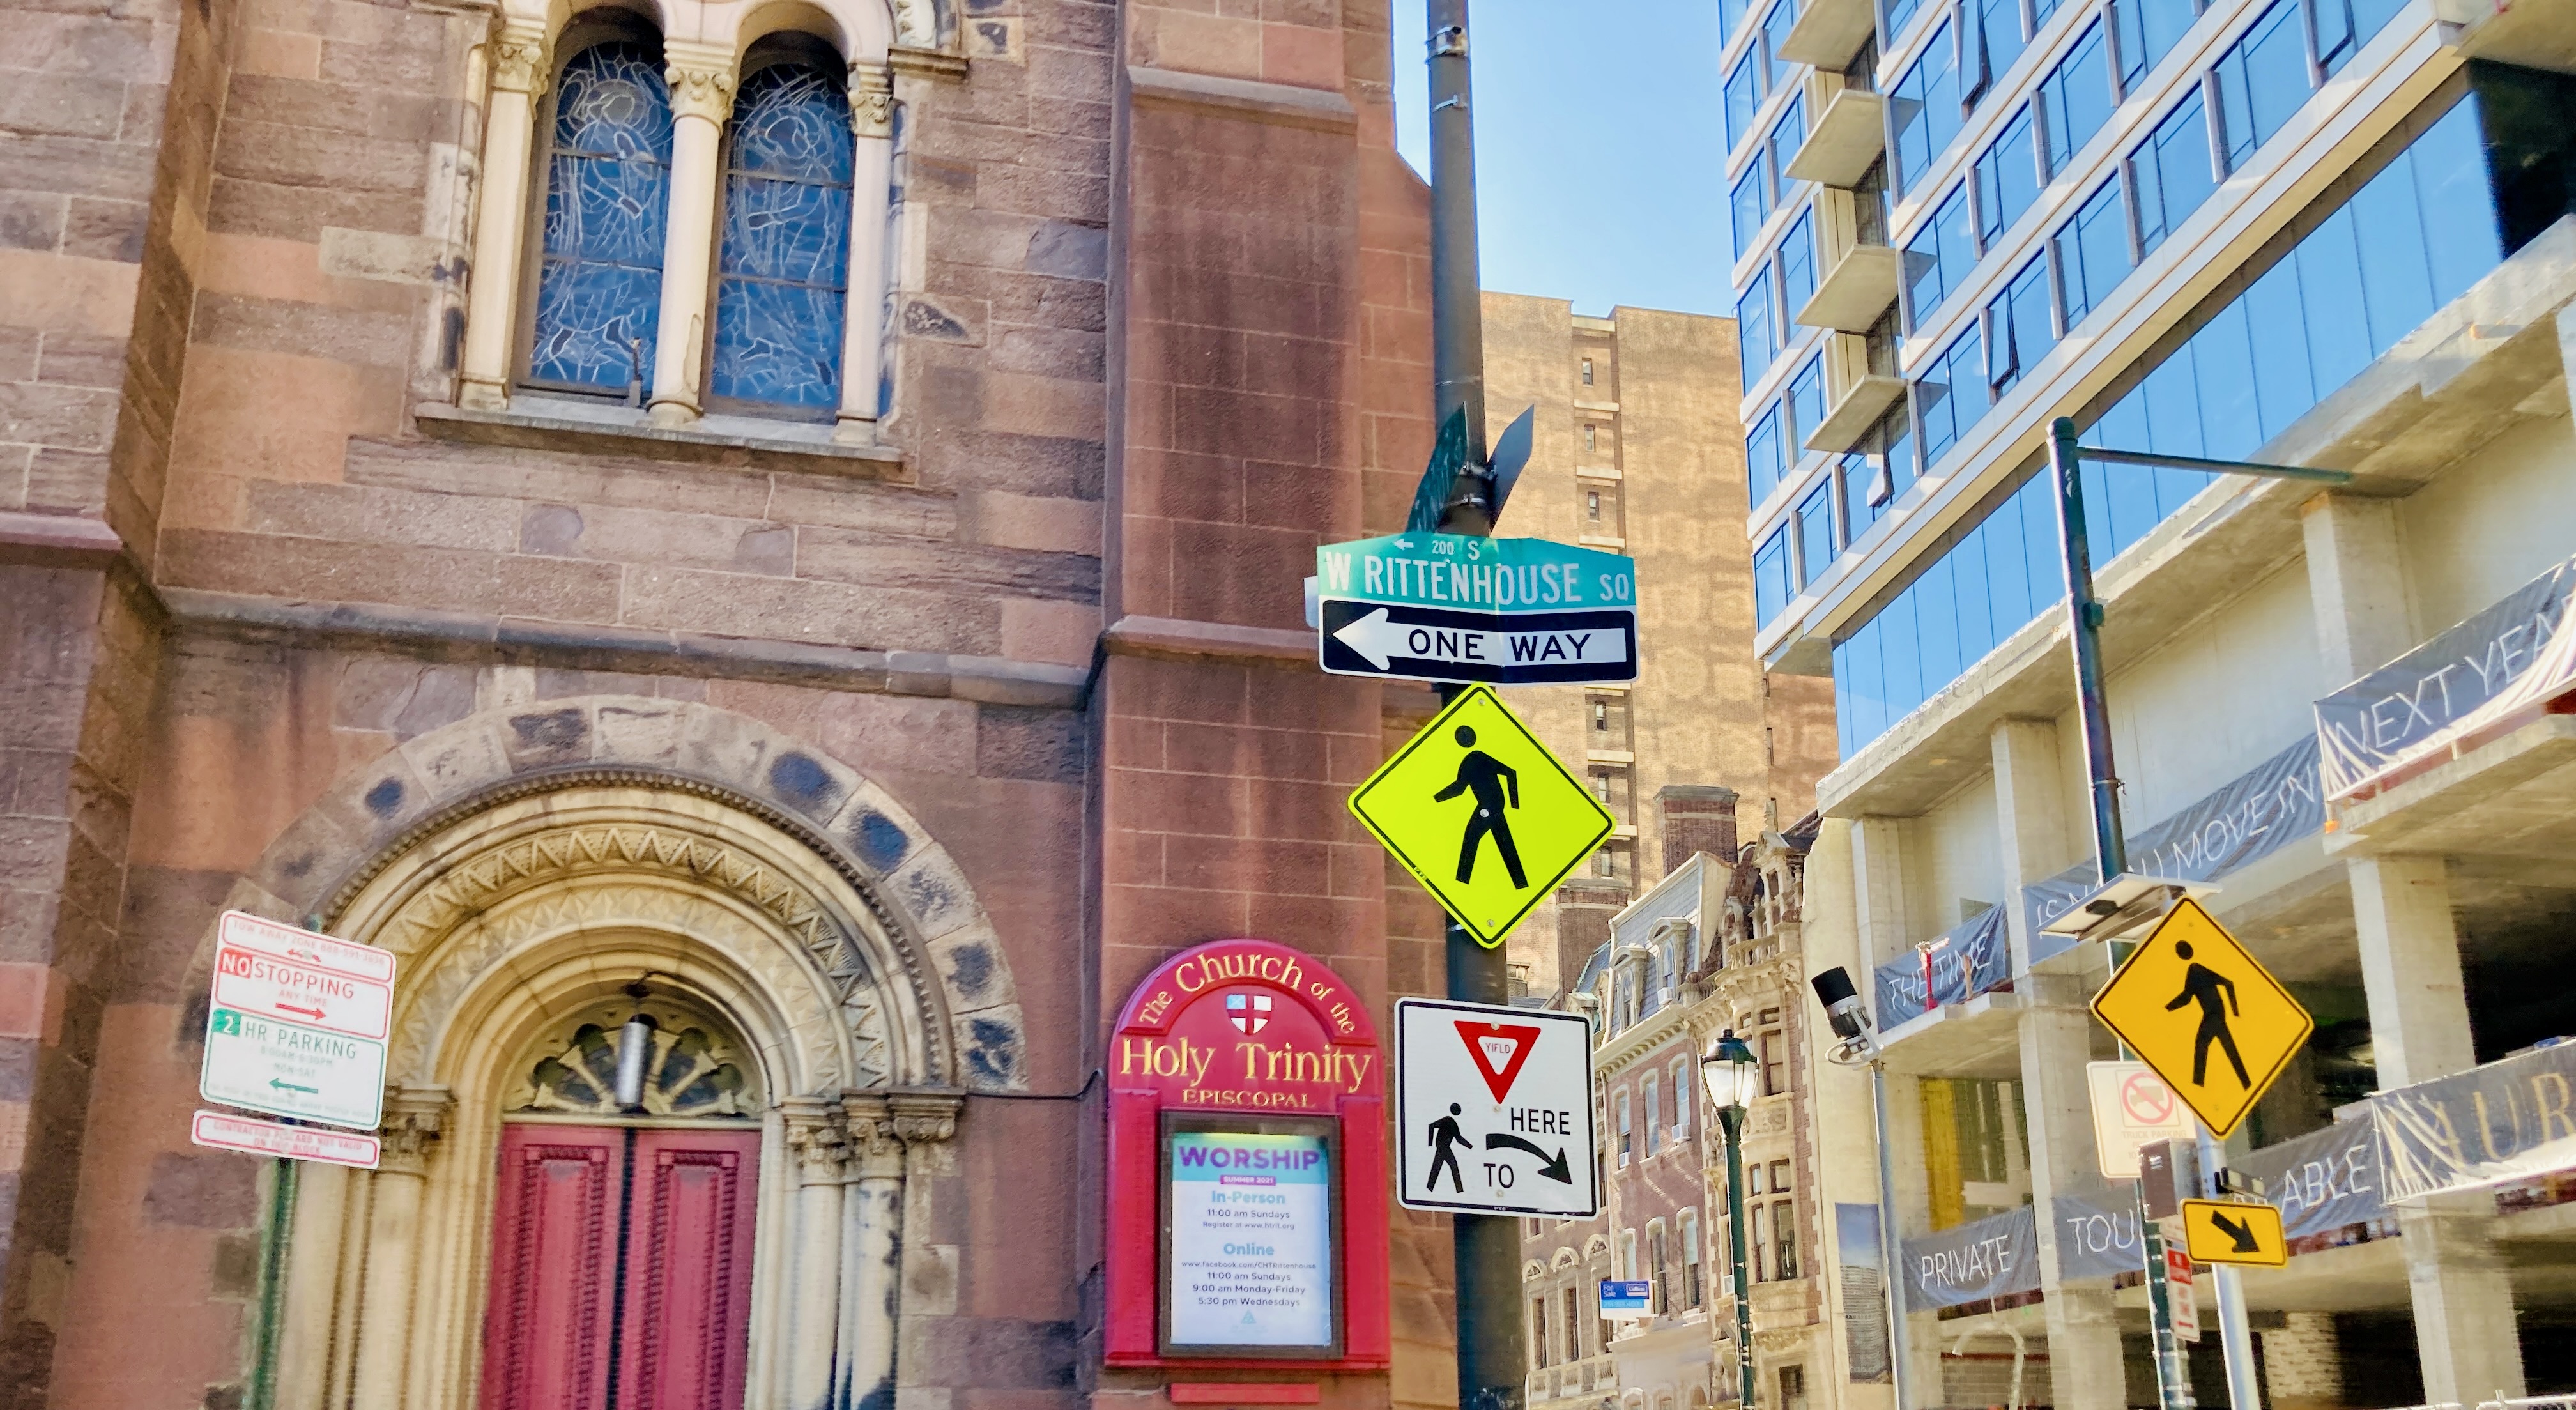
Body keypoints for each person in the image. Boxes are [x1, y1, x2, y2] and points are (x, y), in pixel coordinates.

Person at [1435, 725, 1526, 889]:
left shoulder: (1473, 760)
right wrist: (1436, 799)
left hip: (1489, 808)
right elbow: (1460, 789)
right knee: (1505, 844)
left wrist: (1516, 805)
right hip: (1494, 806)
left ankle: (1462, 884)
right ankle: (1521, 884)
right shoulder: (1476, 758)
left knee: (1472, 838)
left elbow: (1459, 789)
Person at [2165, 939, 2250, 1088]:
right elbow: (2188, 997)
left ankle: (2198, 1086)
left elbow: (2187, 998)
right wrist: (2233, 1012)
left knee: (2202, 1045)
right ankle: (2246, 1084)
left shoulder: (2195, 970)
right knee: (2230, 1051)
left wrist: (2166, 1009)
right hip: (2217, 1014)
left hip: (2212, 1015)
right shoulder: (2198, 969)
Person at [1427, 1101, 1469, 1193]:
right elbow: (1459, 1139)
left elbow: (1458, 1139)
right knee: (1453, 1166)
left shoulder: (1449, 1121)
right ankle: (1460, 1190)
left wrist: (1432, 1143)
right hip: (1444, 1147)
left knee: (1437, 1167)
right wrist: (1429, 1144)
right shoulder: (1450, 1121)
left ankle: (1429, 1188)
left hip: (1442, 1147)